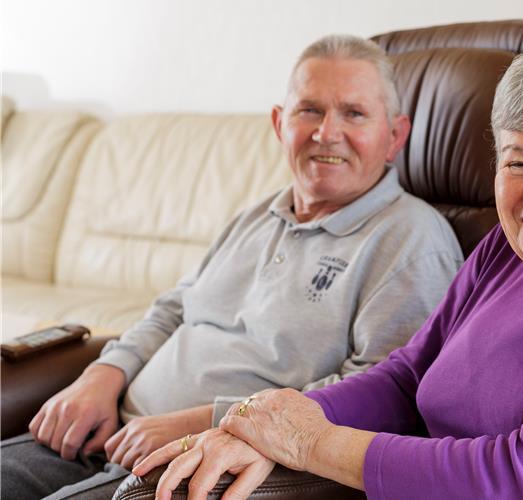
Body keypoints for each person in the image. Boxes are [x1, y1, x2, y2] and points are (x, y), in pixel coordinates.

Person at [136, 35, 523, 499]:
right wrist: (263, 422)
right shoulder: (503, 249)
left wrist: (308, 442)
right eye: (518, 162)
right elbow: (406, 378)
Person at [0, 34, 463, 500]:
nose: (327, 132)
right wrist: (104, 374)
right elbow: (172, 310)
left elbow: (384, 393)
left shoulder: (412, 240)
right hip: (105, 432)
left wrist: (210, 421)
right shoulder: (255, 216)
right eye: (310, 110)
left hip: (205, 460)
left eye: (354, 113)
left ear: (395, 137)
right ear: (280, 124)